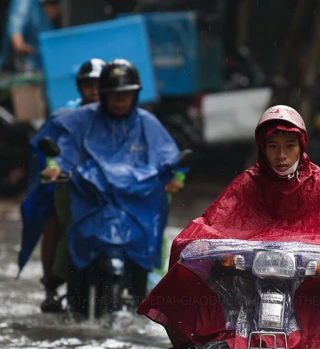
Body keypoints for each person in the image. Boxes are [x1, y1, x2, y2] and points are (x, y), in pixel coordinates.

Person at [138, 105, 320, 349]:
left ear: (302, 145)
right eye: (273, 146)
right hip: (253, 274)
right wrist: (198, 245)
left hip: (305, 276)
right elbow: (214, 222)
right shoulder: (247, 182)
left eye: (290, 145)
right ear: (262, 148)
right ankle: (195, 344)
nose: (282, 155)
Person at [36, 59, 183, 307]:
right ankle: (53, 285)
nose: (119, 101)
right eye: (113, 95)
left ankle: (144, 296)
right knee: (59, 227)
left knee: (152, 245)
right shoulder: (82, 118)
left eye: (125, 95)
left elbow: (170, 158)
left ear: (135, 95)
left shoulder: (147, 123)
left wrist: (174, 178)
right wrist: (56, 168)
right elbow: (63, 149)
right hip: (90, 201)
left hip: (133, 206)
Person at [17, 57, 107, 311]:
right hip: (67, 183)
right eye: (89, 85)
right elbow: (51, 150)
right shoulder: (64, 116)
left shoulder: (117, 116)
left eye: (99, 85)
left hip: (104, 186)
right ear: (80, 88)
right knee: (53, 222)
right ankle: (50, 288)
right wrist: (54, 167)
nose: (94, 91)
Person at [0, 0, 60, 73]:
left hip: (41, 69)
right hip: (19, 71)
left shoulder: (45, 8)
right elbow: (15, 29)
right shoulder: (24, 2)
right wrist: (21, 46)